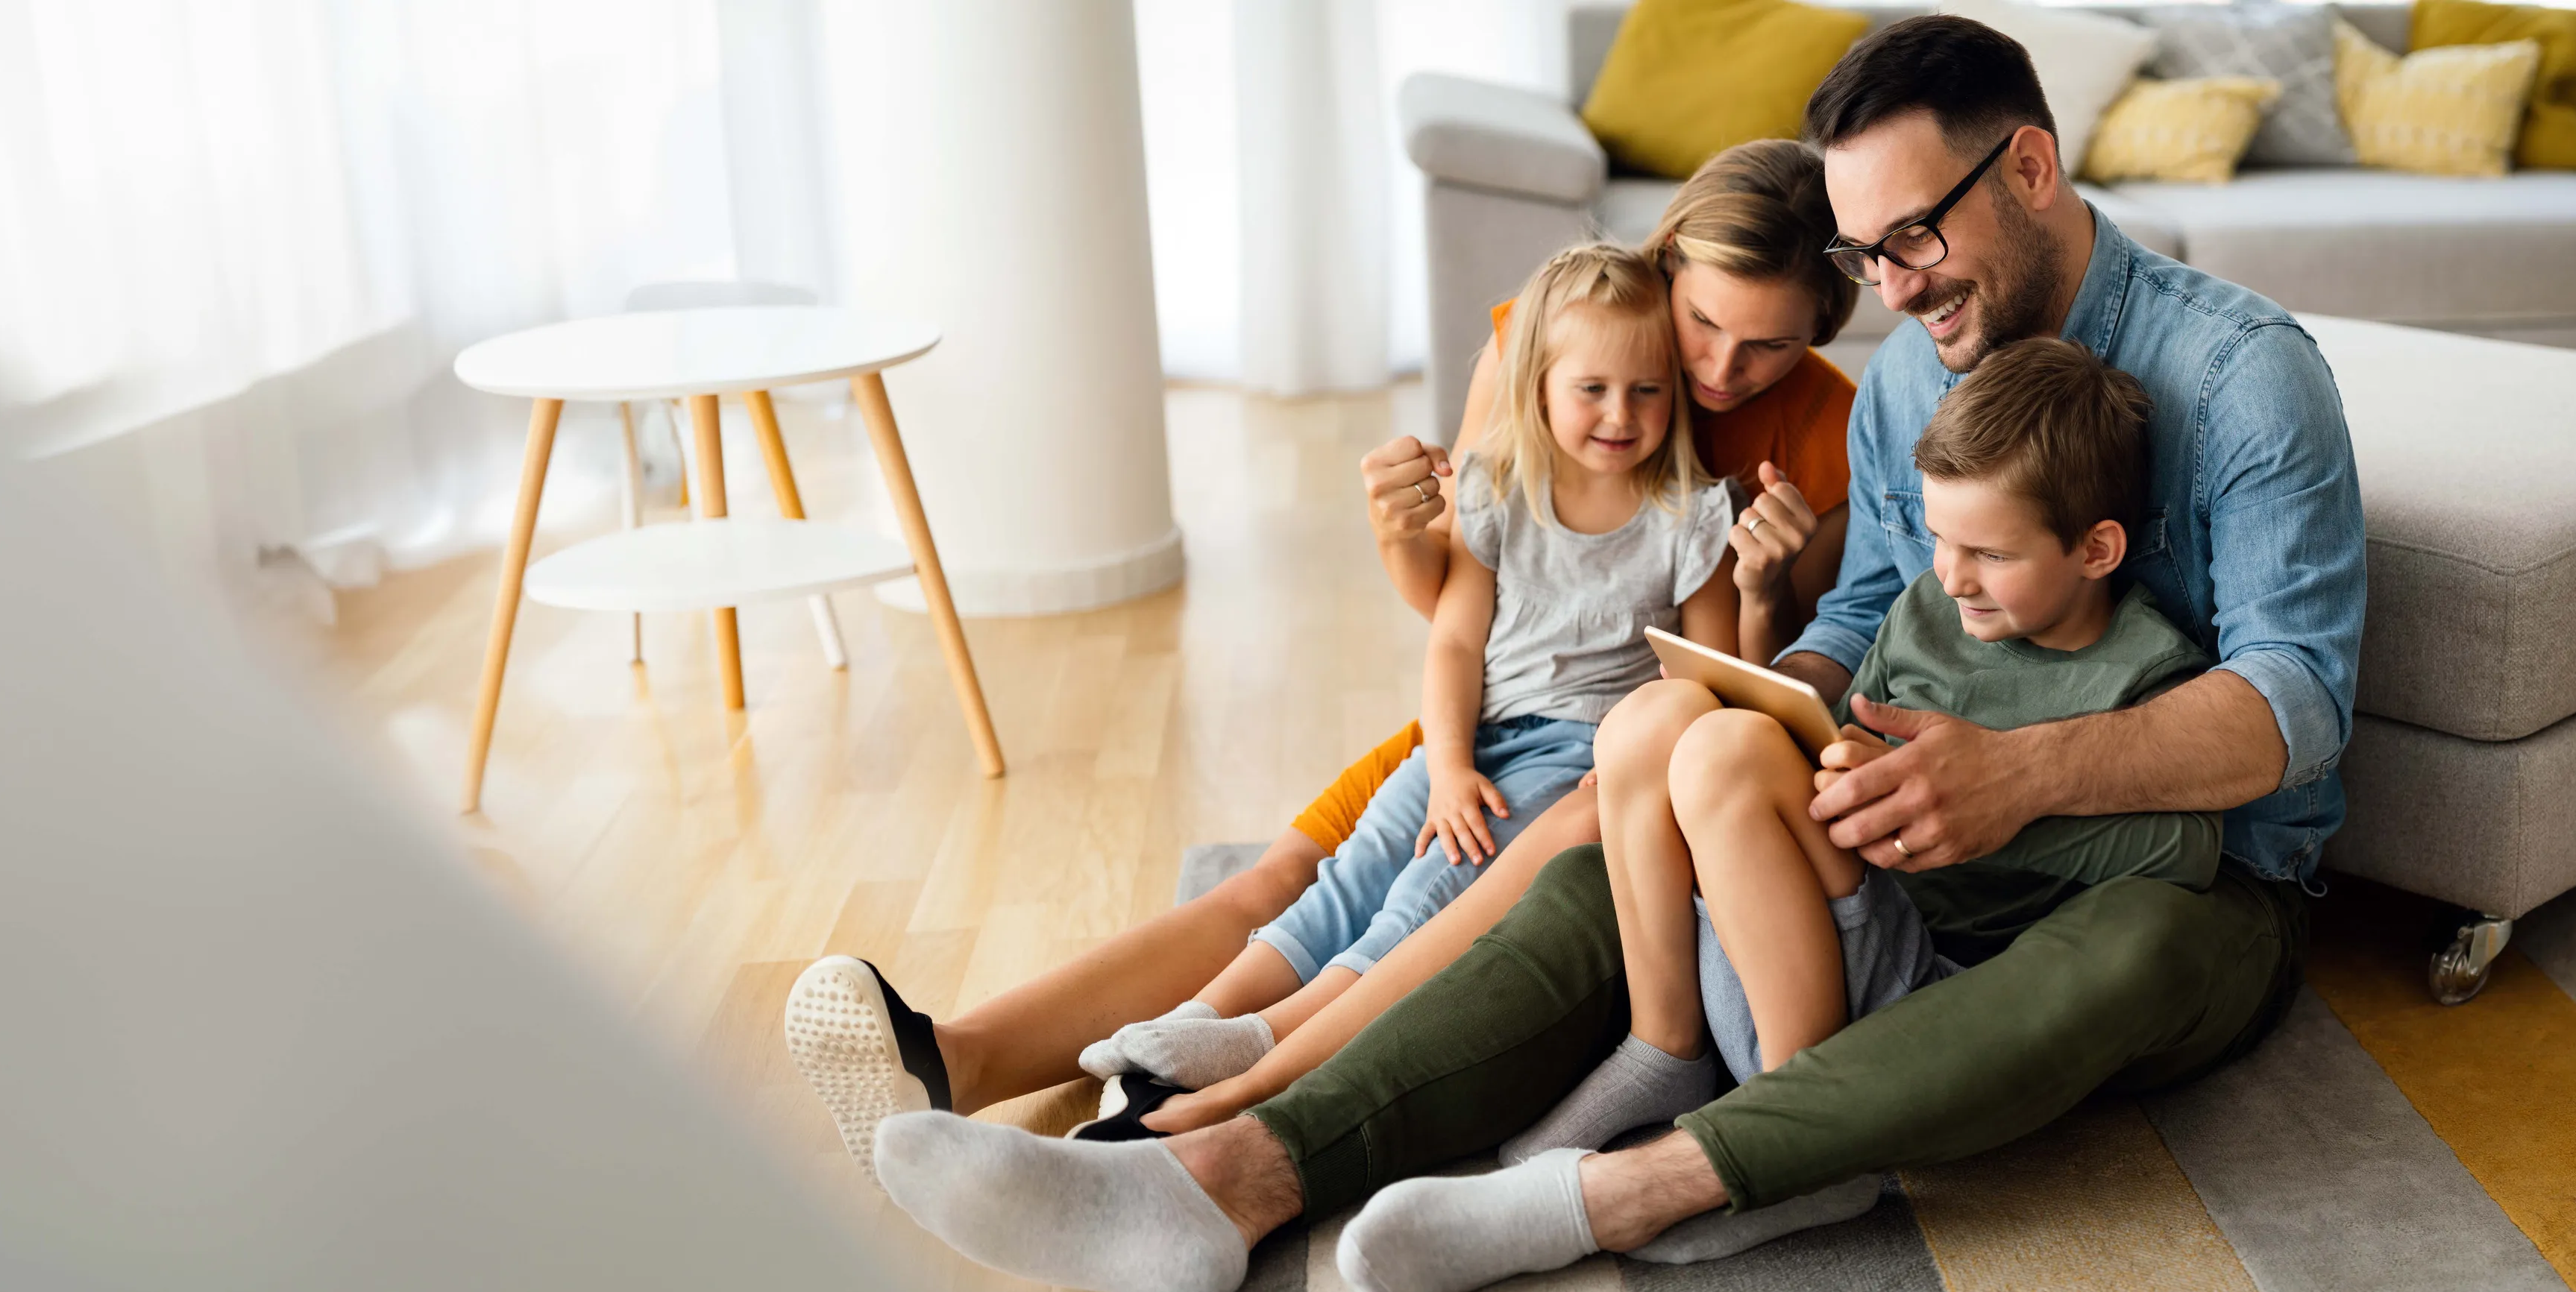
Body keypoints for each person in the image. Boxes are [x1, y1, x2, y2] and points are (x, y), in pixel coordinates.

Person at [857, 11, 2365, 1292]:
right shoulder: (1916, 372)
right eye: (1865, 256)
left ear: (2030, 168)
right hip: (1920, 839)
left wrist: (2023, 772)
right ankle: (1215, 1175)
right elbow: (1863, 617)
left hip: (2183, 880)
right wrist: (1731, 713)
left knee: (2137, 949)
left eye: (1912, 238)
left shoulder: (2242, 375)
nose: (1892, 290)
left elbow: (2298, 699)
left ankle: (1625, 1190)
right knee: (1603, 832)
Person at [782, 140, 1865, 1166]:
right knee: (1287, 876)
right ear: (1666, 263)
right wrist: (1402, 537)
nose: (1723, 367)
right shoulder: (1554, 335)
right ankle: (959, 1061)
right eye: (1704, 322)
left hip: (1625, 751)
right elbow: (1459, 602)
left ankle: (1228, 1078)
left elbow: (1748, 689)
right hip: (1496, 701)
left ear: (1823, 323)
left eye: (1771, 344)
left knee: (1418, 897)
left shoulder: (1828, 433)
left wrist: (1766, 584)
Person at [1484, 336, 2223, 1235]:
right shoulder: (1927, 610)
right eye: (1939, 538)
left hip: (1911, 987)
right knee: (1651, 716)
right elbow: (1852, 737)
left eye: (1989, 553)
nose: (1951, 576)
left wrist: (1978, 808)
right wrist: (1846, 767)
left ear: (2097, 549)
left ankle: (1801, 1142)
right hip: (1803, 937)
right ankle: (1663, 1046)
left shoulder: (2150, 669)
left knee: (1726, 754)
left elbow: (2187, 844)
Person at [1055, 242, 1746, 1137]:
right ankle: (1197, 1021)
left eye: (1648, 390)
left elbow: (1709, 679)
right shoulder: (1499, 491)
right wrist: (1449, 763)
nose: (1621, 414)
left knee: (1425, 896)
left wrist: (1633, 771)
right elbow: (1457, 642)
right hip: (1475, 736)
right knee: (1355, 870)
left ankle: (1270, 1040)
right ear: (1536, 383)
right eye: (1593, 389)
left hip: (1579, 754)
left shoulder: (1691, 517)